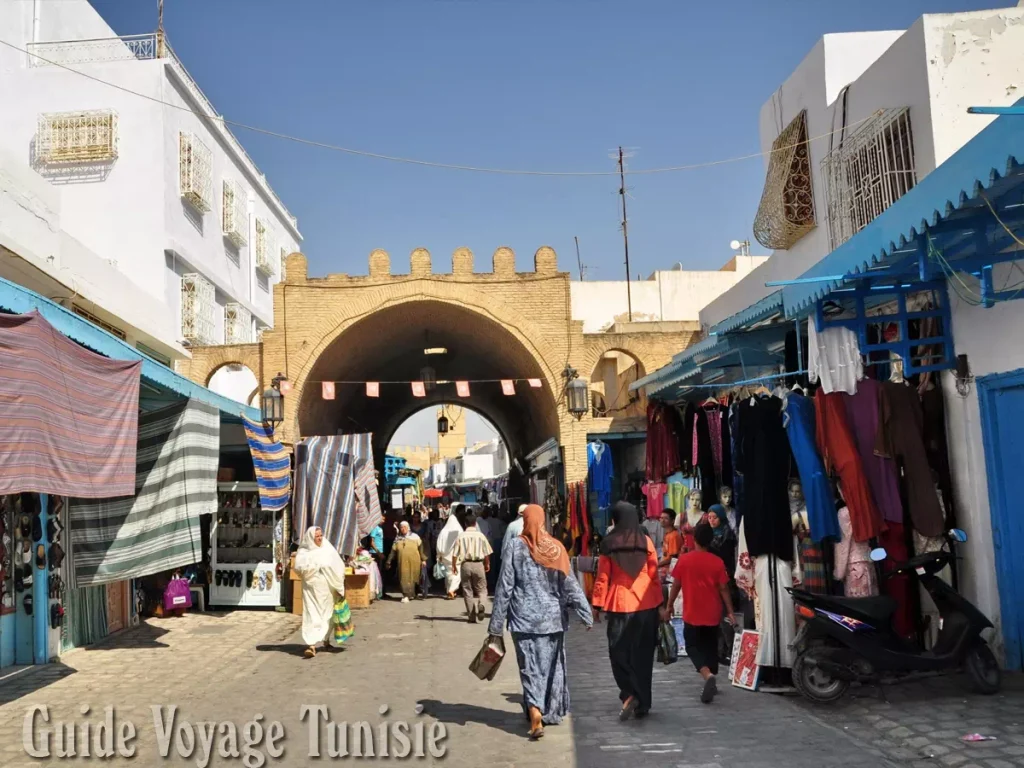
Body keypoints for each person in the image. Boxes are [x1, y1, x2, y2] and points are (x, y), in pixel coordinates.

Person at [488, 504, 593, 740]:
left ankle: (535, 712)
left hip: (523, 620)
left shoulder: (516, 548)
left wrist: (495, 627)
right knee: (552, 667)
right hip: (553, 620)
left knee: (530, 667)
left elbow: (504, 588)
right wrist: (585, 612)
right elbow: (570, 584)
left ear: (526, 522)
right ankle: (549, 710)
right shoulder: (556, 549)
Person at [592, 501, 663, 720]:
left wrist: (596, 604)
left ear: (615, 519)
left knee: (619, 653)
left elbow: (603, 577)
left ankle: (629, 693)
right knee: (643, 656)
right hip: (647, 604)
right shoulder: (647, 542)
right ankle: (643, 703)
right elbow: (654, 575)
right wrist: (660, 604)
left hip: (620, 604)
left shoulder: (608, 543)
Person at [661, 522, 736, 704]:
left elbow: (676, 586)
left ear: (694, 539)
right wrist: (731, 612)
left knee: (692, 645)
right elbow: (724, 588)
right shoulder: (717, 562)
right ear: (710, 541)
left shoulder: (684, 560)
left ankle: (707, 674)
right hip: (713, 612)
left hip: (693, 611)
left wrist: (669, 606)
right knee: (710, 645)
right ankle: (712, 678)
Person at [292, 527, 352, 658]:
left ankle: (326, 640)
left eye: (320, 535)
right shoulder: (304, 552)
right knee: (312, 614)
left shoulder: (327, 548)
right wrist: (314, 566)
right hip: (311, 590)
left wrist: (340, 587)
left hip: (327, 589)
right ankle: (311, 645)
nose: (319, 538)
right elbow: (298, 568)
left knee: (328, 614)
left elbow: (337, 565)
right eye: (316, 536)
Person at [452, 513, 493, 622]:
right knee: (482, 589)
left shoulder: (461, 536)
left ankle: (471, 616)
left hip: (465, 565)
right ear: (475, 523)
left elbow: (455, 554)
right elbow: (487, 552)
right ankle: (481, 604)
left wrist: (454, 566)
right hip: (478, 564)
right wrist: (487, 563)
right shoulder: (481, 536)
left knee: (467, 590)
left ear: (465, 524)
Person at [386, 521, 426, 603]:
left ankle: (414, 593)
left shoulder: (415, 537)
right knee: (403, 577)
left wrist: (423, 559)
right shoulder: (398, 538)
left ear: (408, 528)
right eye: (401, 527)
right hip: (402, 562)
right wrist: (388, 561)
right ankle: (406, 595)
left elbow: (421, 548)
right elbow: (393, 551)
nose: (403, 529)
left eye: (404, 527)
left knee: (415, 577)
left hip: (415, 561)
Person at [435, 512, 463, 598]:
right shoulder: (459, 530)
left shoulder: (443, 531)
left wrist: (439, 554)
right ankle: (452, 589)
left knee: (448, 574)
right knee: (456, 574)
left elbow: (438, 544)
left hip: (445, 557)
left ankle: (449, 591)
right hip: (456, 557)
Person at [658, 508, 684, 589]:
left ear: (673, 521)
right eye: (661, 518)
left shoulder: (673, 536)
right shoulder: (668, 534)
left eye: (666, 518)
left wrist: (656, 564)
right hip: (665, 567)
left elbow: (672, 558)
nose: (662, 520)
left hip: (669, 570)